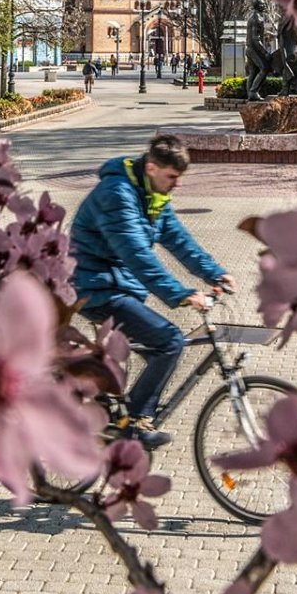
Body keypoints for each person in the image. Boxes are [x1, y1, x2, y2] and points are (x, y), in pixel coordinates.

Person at [69, 133, 232, 449]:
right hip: (93, 287)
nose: (177, 184)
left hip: (118, 286)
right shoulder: (117, 194)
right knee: (169, 340)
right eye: (173, 177)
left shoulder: (151, 195)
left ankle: (116, 416)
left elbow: (178, 240)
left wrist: (215, 273)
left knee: (143, 347)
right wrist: (181, 293)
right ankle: (136, 420)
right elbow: (137, 256)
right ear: (152, 168)